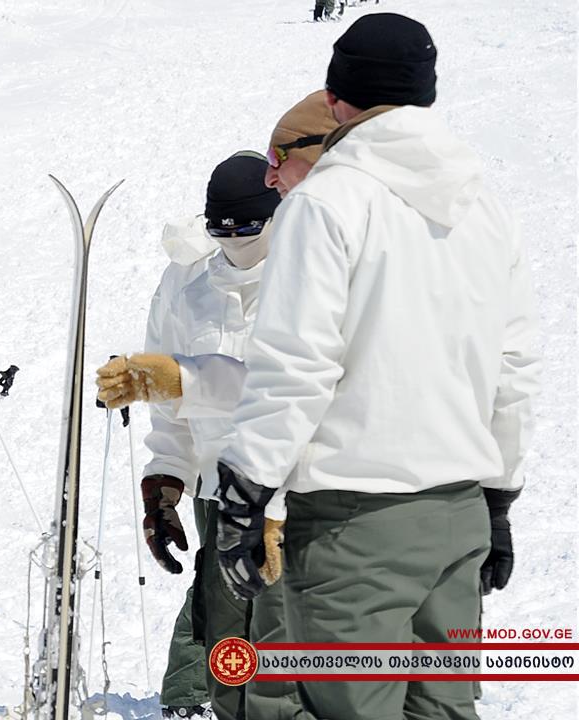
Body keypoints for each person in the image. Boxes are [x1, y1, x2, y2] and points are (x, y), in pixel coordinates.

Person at [214, 14, 539, 719]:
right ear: (427, 92)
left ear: (335, 99)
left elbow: (297, 362)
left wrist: (245, 490)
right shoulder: (485, 208)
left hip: (355, 525)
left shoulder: (329, 202)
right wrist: (501, 497)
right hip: (459, 515)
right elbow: (513, 365)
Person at [99, 152, 283, 720]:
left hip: (300, 478)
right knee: (223, 590)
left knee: (285, 606)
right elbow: (168, 392)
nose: (234, 241)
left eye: (247, 227)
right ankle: (203, 700)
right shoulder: (186, 282)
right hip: (218, 477)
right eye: (219, 229)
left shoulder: (310, 274)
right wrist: (166, 478)